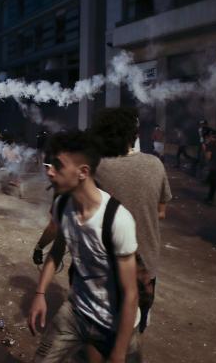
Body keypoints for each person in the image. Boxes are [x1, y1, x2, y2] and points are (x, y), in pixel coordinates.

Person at [27, 130, 140, 362]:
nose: (49, 171)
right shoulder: (62, 206)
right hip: (76, 311)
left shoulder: (118, 220)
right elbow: (56, 252)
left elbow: (131, 293)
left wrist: (119, 352)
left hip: (115, 324)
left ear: (83, 172)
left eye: (57, 166)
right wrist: (40, 294)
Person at [91, 107, 171, 333]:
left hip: (107, 264)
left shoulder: (97, 167)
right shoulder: (155, 164)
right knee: (135, 329)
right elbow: (161, 212)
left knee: (103, 330)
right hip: (146, 265)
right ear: (134, 135)